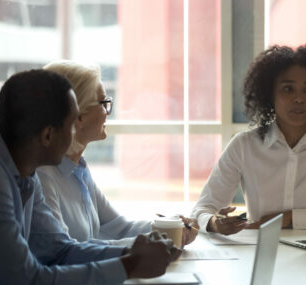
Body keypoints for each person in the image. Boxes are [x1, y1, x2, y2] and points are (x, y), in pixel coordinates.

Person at [0, 69, 181, 285]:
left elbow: (60, 250)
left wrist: (130, 254)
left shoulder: (24, 170)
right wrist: (130, 265)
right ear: (48, 135)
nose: (76, 129)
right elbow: (29, 283)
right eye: (73, 123)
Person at [191, 44, 306, 235]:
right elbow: (202, 210)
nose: (299, 98)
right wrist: (215, 223)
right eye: (288, 89)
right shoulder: (244, 145)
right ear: (269, 94)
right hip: (259, 254)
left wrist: (287, 218)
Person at [37, 60, 198, 246]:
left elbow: (119, 228)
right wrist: (149, 244)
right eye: (103, 103)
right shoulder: (43, 176)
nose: (108, 112)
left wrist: (170, 226)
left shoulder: (77, 169)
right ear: (78, 115)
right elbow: (66, 251)